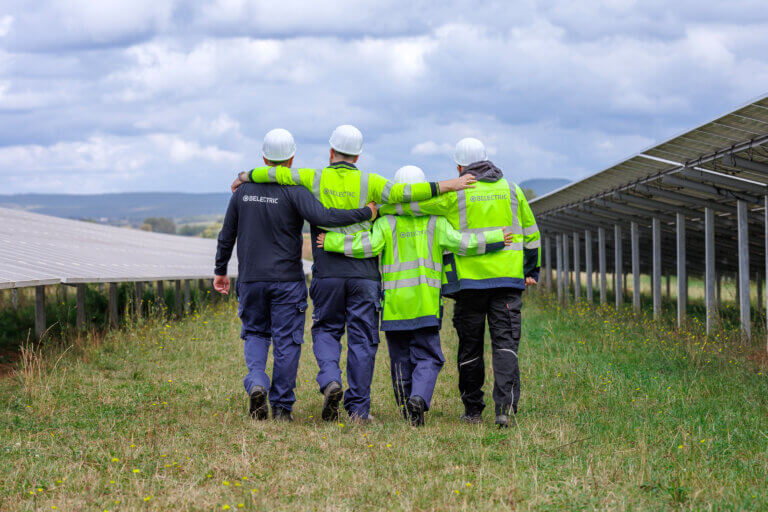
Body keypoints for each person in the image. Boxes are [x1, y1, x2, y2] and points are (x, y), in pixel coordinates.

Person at [230, 125, 476, 423]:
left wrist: (245, 175)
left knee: (326, 330)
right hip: (364, 275)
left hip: (328, 272)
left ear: (331, 151)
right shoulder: (371, 182)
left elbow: (277, 174)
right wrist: (448, 184)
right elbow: (404, 193)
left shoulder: (313, 177)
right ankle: (358, 410)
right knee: (362, 341)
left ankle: (331, 378)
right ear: (358, 154)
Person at [317, 165, 513, 426]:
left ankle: (406, 406)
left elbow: (368, 246)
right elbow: (462, 244)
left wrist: (330, 242)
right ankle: (419, 398)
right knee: (429, 356)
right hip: (426, 305)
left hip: (395, 307)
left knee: (399, 360)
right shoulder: (436, 221)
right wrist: (495, 238)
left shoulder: (385, 221)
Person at [213, 128, 377, 422]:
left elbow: (227, 236)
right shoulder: (296, 190)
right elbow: (326, 218)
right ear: (291, 159)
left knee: (255, 333)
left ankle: (257, 381)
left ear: (264, 157)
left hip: (251, 279)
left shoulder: (242, 194)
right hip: (288, 281)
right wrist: (365, 212)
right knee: (287, 342)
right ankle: (282, 410)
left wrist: (220, 271)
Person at [379, 139, 541, 428]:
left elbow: (412, 205)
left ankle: (473, 411)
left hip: (469, 286)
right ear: (488, 160)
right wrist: (531, 270)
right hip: (507, 283)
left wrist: (378, 207)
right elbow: (532, 234)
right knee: (506, 345)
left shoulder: (456, 195)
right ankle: (504, 409)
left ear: (459, 167)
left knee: (470, 347)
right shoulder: (513, 190)